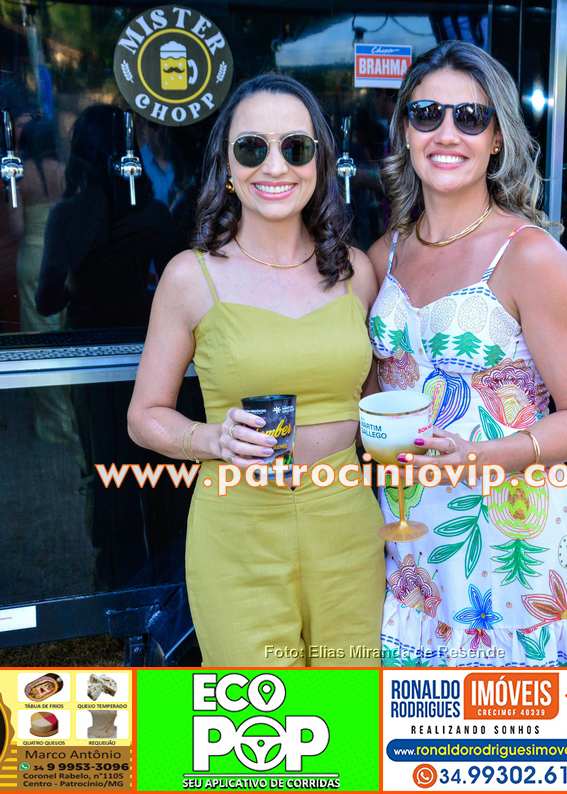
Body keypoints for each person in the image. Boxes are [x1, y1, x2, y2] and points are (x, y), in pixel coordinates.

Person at [367, 40, 567, 667]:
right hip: (413, 546)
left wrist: (478, 458)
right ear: (405, 130)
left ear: (497, 138)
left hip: (517, 551)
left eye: (471, 117)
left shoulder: (531, 256)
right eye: (427, 114)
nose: (447, 133)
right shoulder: (384, 254)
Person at [127, 74, 385, 667]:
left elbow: (375, 409)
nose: (275, 166)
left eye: (295, 147)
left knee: (350, 702)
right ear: (225, 164)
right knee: (259, 717)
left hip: (347, 523)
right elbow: (144, 416)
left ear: (319, 161)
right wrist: (211, 439)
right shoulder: (191, 276)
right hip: (238, 529)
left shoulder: (355, 271)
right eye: (251, 148)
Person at [38, 104, 184, 589]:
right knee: (160, 475)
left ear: (79, 155)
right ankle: (167, 588)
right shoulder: (153, 215)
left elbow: (45, 300)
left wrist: (83, 282)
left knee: (108, 473)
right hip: (146, 352)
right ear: (130, 154)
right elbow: (182, 289)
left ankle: (116, 588)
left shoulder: (65, 217)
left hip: (87, 358)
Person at [9, 117, 75, 444]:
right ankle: (73, 417)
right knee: (66, 337)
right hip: (64, 258)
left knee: (39, 341)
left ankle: (54, 424)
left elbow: (16, 228)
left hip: (33, 258)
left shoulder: (19, 175)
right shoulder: (65, 171)